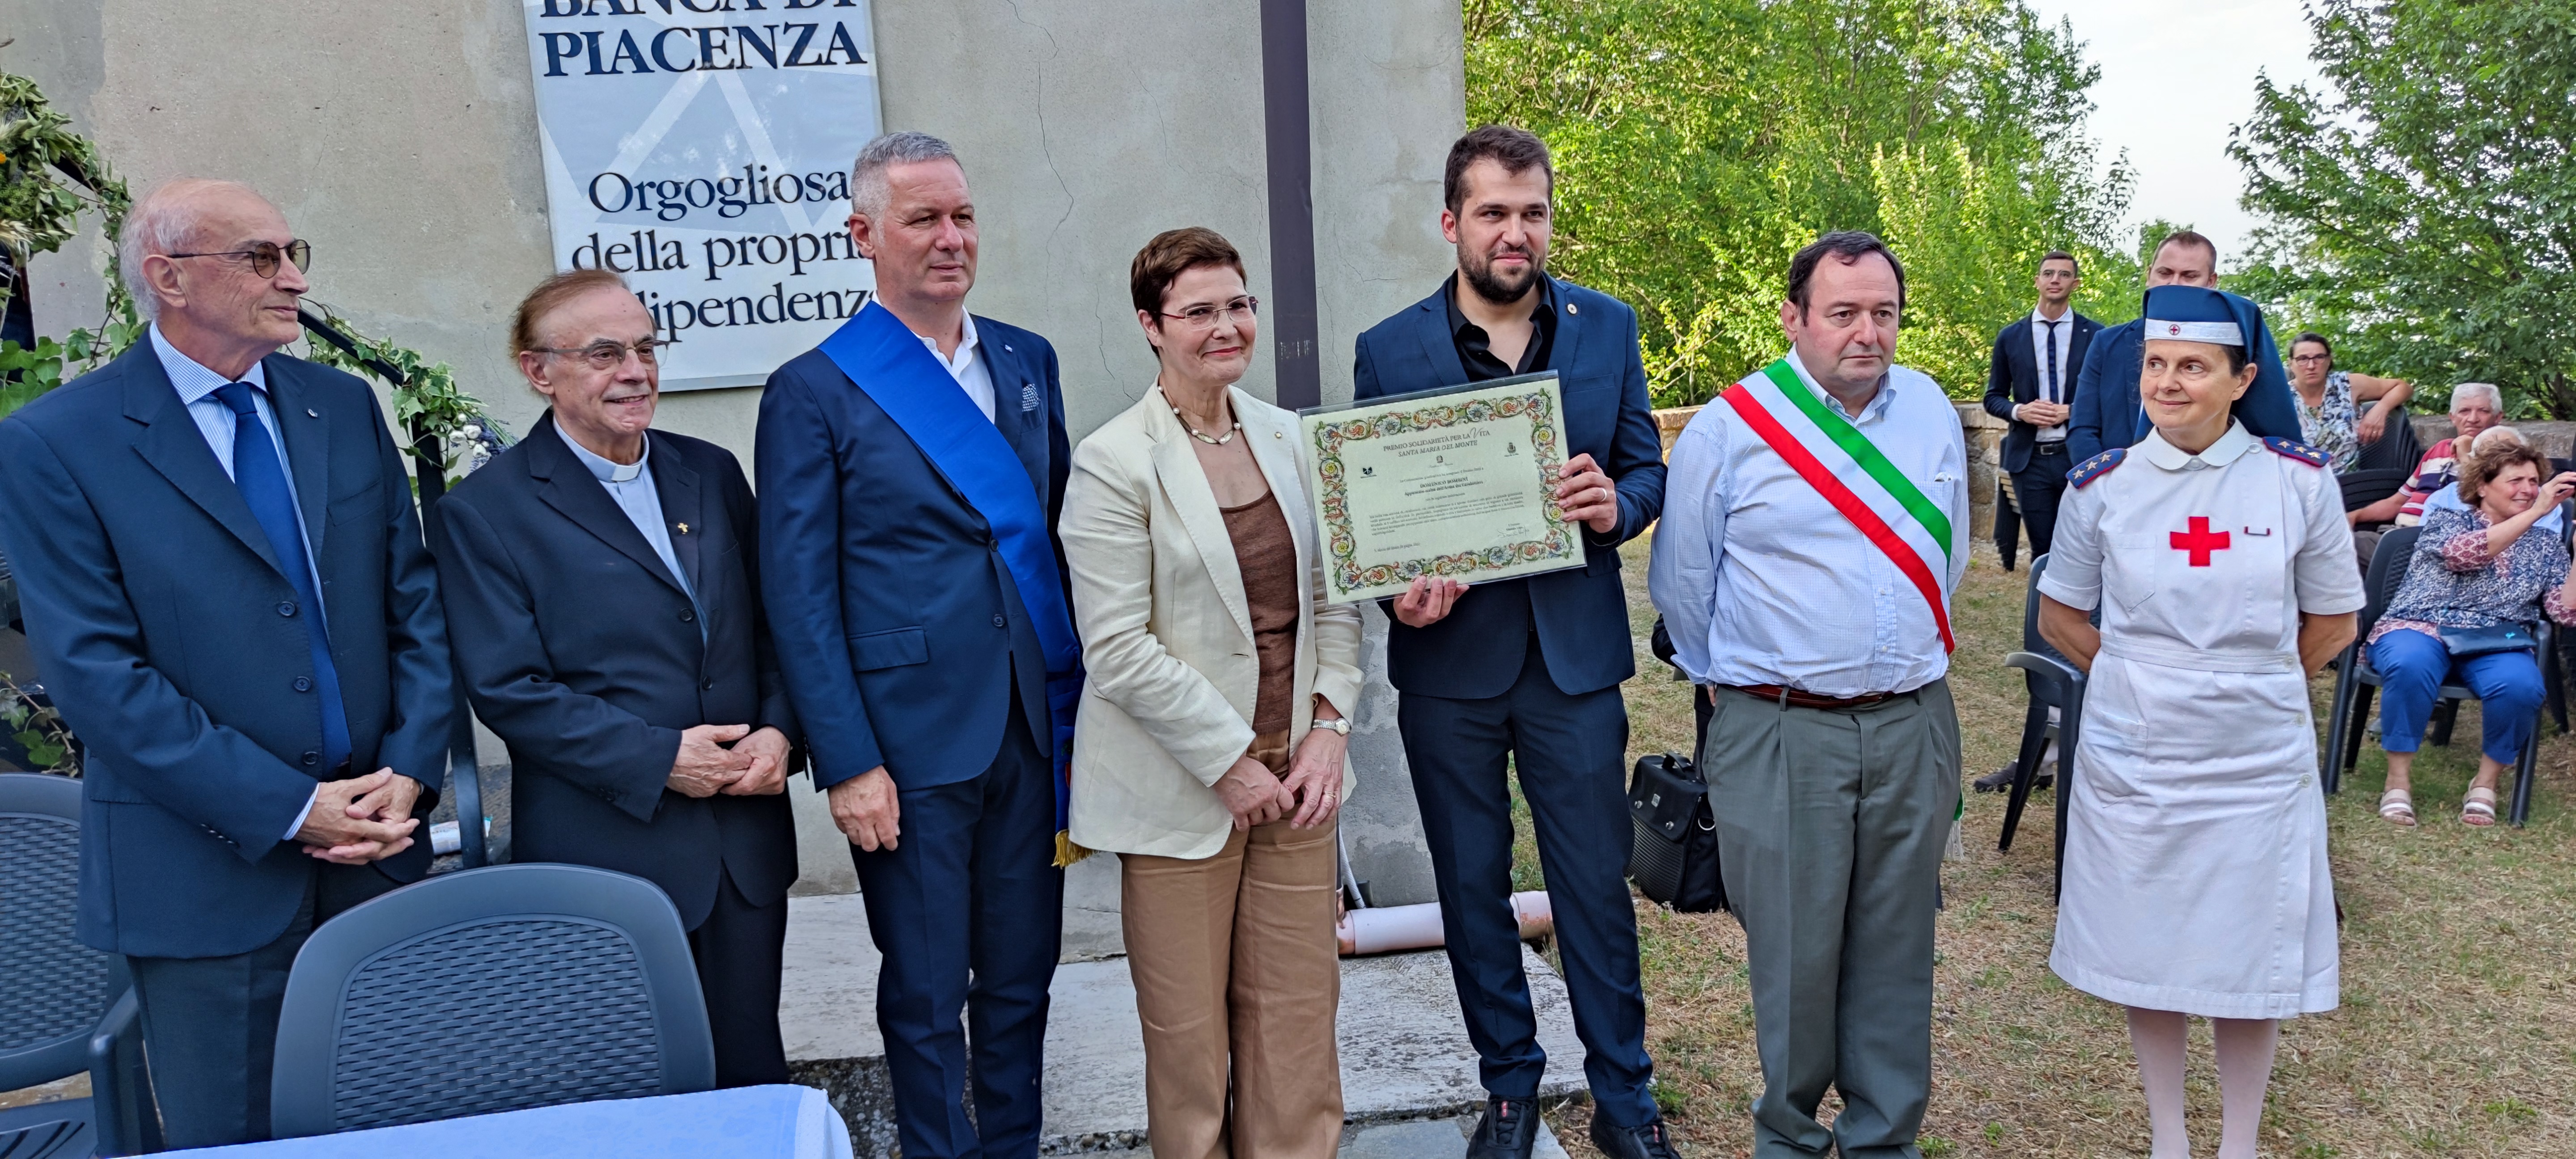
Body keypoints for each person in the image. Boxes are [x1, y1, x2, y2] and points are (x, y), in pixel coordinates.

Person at [0, 178, 451, 1146]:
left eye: (294, 254)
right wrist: (290, 806)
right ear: (169, 278)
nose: (294, 279)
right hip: (203, 881)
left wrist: (412, 770)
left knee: (403, 1126)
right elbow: (98, 678)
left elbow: (411, 604)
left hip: (378, 852)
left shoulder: (341, 406)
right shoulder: (56, 443)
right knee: (241, 1142)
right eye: (260, 257)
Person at [1351, 125, 1674, 1159]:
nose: (1514, 232)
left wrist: (1616, 505)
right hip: (1449, 667)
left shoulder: (1606, 328)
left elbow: (1645, 469)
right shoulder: (1388, 348)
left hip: (1571, 663)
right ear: (1451, 222)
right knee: (1470, 886)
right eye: (1492, 212)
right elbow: (1372, 519)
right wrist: (1397, 598)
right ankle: (1508, 1089)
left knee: (1593, 884)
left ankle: (1624, 1097)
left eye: (1532, 212)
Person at [757, 131, 1076, 1159]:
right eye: (922, 219)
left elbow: (1049, 534)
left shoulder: (1026, 361)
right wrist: (848, 760)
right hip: (905, 747)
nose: (950, 238)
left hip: (1028, 727)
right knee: (929, 993)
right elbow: (798, 594)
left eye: (963, 216)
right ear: (864, 235)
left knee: (1023, 979)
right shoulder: (813, 389)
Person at [433, 268, 799, 1086]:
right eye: (605, 354)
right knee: (631, 1093)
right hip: (609, 856)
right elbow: (510, 688)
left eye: (645, 349)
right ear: (539, 371)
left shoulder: (711, 471)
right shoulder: (485, 512)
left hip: (741, 846)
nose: (635, 372)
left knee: (750, 1078)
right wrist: (660, 757)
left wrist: (781, 729)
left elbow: (773, 625)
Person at [1649, 231, 1967, 1159]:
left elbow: (1947, 557)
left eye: (1884, 313)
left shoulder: (1931, 411)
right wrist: (1748, 688)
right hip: (1784, 727)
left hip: (1912, 721)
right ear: (1794, 318)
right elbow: (1685, 583)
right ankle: (1787, 1138)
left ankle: (1882, 1140)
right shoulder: (1730, 428)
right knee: (1793, 951)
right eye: (1844, 313)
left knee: (1898, 946)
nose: (1868, 332)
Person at [2035, 285, 2364, 1159]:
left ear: (2242, 378)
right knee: (2151, 944)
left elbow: (2334, 621)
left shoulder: (2298, 483)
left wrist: (2252, 687)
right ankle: (2169, 1137)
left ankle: (2241, 1143)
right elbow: (2059, 616)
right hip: (2138, 755)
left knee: (2245, 950)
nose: (2168, 382)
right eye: (2156, 364)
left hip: (2255, 759)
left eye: (2192, 366)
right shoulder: (2102, 487)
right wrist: (2137, 683)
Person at [1059, 227, 1364, 1159]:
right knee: (1190, 1046)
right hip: (1183, 792)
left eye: (1239, 304)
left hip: (1300, 785)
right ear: (1151, 326)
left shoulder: (1291, 437)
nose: (1227, 326)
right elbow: (1118, 648)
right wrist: (1230, 762)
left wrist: (1329, 727)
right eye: (1199, 311)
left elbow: (1334, 598)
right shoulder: (1113, 460)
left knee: (1298, 1028)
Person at [2364, 440, 2576, 828]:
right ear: (2482, 486)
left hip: (2496, 637)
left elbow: (2565, 612)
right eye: (2516, 481)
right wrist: (2538, 513)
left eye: (2534, 481)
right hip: (2421, 624)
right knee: (2410, 664)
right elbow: (2464, 556)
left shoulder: (2546, 544)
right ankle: (2397, 782)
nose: (2529, 490)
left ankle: (2485, 784)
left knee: (2521, 685)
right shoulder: (2448, 519)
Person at [2065, 229, 2302, 464]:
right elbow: (2083, 427)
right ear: (2149, 275)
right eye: (2165, 273)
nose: (2174, 284)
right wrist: (2109, 480)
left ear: (2211, 282)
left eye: (2189, 276)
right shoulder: (2108, 342)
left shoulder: (2233, 342)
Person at [1980, 250, 2101, 561]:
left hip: (2078, 455)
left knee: (2085, 548)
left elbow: (2109, 397)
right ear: (2037, 281)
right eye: (2049, 274)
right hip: (2029, 461)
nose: (2055, 280)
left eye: (2064, 274)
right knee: (2044, 552)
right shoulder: (2011, 337)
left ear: (2075, 283)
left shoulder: (2096, 336)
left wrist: (2072, 411)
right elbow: (1993, 397)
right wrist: (2020, 411)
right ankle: (2043, 596)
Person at [2346, 383, 2507, 570]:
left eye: (2483, 411)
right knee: (2332, 538)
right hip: (2396, 535)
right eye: (2464, 411)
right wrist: (2355, 516)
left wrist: (2466, 455)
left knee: (2339, 548)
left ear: (2498, 418)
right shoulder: (2438, 450)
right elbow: (2398, 502)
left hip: (2437, 546)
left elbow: (2489, 502)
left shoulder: (2503, 456)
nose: (2472, 419)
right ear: (2453, 418)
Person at [2285, 331, 2411, 472]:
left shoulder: (2346, 384)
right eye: (2302, 359)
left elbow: (2403, 387)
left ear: (2329, 361)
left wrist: (2380, 410)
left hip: (2348, 481)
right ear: (2291, 364)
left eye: (2319, 357)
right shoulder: (2281, 396)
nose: (2311, 366)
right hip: (2298, 481)